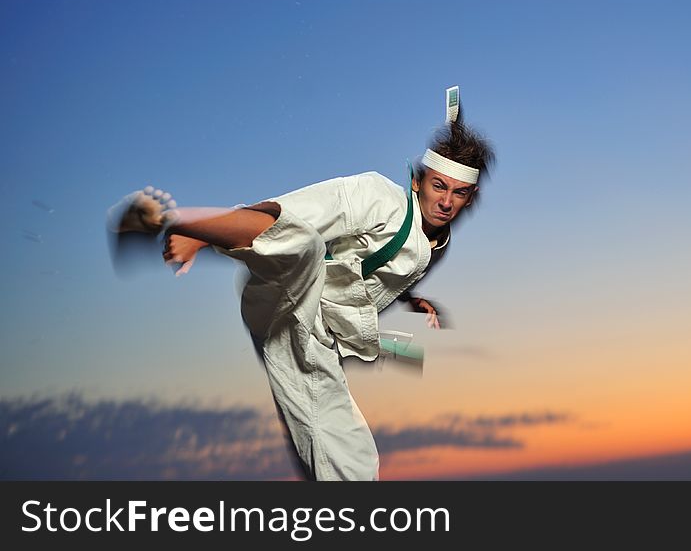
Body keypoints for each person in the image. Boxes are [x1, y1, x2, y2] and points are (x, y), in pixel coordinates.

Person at [108, 106, 495, 480]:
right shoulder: (376, 195)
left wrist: (413, 300)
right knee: (304, 243)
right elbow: (286, 213)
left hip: (316, 342)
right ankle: (168, 221)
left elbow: (385, 270)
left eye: (459, 194)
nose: (446, 201)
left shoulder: (436, 244)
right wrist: (199, 237)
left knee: (355, 462)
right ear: (417, 181)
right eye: (439, 186)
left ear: (470, 199)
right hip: (289, 290)